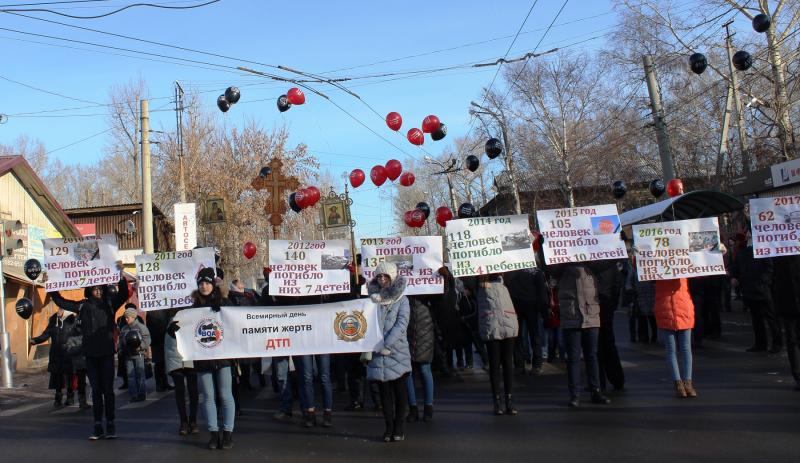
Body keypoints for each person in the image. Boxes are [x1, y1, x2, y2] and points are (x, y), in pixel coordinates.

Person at [49, 272, 129, 440]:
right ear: (89, 290)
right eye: (95, 288)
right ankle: (98, 425)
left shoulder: (109, 304)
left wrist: (121, 275)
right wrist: (51, 285)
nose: (98, 291)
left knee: (108, 390)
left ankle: (111, 424)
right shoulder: (83, 307)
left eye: (100, 288)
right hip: (91, 355)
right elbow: (62, 301)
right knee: (97, 390)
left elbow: (123, 293)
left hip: (106, 354)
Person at [171, 267, 235, 450]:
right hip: (203, 358)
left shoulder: (224, 303)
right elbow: (183, 326)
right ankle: (214, 434)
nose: (204, 286)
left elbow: (236, 322)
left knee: (225, 395)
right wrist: (174, 329)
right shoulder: (193, 309)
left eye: (207, 283)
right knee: (208, 396)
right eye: (201, 283)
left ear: (213, 285)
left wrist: (224, 308)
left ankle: (228, 433)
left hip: (223, 357)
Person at [550, 263, 610, 408]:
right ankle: (575, 394)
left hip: (591, 313)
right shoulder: (562, 265)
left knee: (592, 356)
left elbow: (607, 262)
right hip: (572, 314)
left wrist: (618, 243)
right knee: (573, 358)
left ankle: (596, 391)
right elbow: (550, 269)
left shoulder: (591, 263)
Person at [366, 262, 412, 442]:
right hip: (377, 352)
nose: (382, 279)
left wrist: (387, 344)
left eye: (385, 276)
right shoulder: (371, 301)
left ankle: (399, 426)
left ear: (392, 277)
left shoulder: (402, 300)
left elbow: (402, 324)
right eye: (379, 276)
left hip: (396, 352)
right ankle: (389, 427)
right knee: (384, 393)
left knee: (399, 391)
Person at [731, 233, 782, 353]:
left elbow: (769, 268)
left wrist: (763, 282)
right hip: (749, 289)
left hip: (762, 290)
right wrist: (734, 277)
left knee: (770, 317)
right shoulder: (741, 252)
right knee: (756, 319)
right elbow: (736, 267)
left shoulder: (763, 250)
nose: (748, 237)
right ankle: (760, 343)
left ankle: (777, 343)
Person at [476, 273, 519, 415]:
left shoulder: (506, 280)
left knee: (507, 363)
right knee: (495, 365)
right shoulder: (480, 282)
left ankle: (509, 401)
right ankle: (497, 401)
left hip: (507, 323)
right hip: (492, 325)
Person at [654, 278, 697, 398]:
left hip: (681, 309)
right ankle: (679, 383)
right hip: (667, 309)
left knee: (684, 349)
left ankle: (687, 383)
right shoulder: (659, 268)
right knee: (673, 350)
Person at [504, 267, 549, 375]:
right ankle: (536, 365)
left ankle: (520, 365)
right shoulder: (536, 271)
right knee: (534, 335)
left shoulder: (511, 269)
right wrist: (544, 311)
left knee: (518, 336)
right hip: (531, 306)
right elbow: (542, 292)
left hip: (516, 305)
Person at [30, 306, 76, 407]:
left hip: (68, 354)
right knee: (57, 377)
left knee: (69, 377)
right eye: (58, 309)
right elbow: (46, 334)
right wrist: (35, 340)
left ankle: (70, 397)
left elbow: (78, 336)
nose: (58, 311)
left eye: (61, 309)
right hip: (56, 354)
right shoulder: (53, 321)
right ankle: (58, 398)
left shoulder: (72, 321)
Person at [165, 308, 199, 435]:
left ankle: (193, 421)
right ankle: (184, 422)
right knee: (180, 391)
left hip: (191, 357)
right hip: (176, 358)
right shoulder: (170, 319)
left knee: (193, 391)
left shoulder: (193, 314)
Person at [771, 254, 800, 390]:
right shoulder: (778, 253)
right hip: (787, 301)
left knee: (793, 340)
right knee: (792, 340)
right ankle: (798, 375)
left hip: (788, 300)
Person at [406, 296, 435, 422]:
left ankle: (428, 407)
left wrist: (445, 278)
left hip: (425, 331)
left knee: (424, 370)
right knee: (407, 372)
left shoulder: (429, 291)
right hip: (406, 330)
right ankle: (413, 408)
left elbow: (444, 295)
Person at [118, 306, 151, 402]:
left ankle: (141, 394)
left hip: (138, 354)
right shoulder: (124, 328)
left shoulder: (141, 327)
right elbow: (121, 340)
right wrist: (120, 349)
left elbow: (147, 339)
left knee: (140, 374)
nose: (126, 319)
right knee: (130, 375)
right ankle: (134, 395)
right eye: (125, 317)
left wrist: (140, 347)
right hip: (128, 355)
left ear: (133, 317)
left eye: (128, 317)